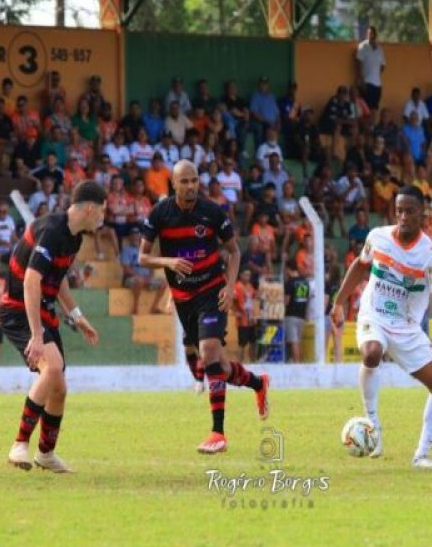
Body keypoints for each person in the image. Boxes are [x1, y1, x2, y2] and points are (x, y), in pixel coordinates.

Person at [139, 160, 269, 454]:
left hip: (212, 292)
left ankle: (218, 433)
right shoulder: (160, 214)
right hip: (184, 299)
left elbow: (234, 252)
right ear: (173, 184)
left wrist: (229, 285)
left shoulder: (211, 212)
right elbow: (142, 258)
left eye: (194, 180)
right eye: (184, 181)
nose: (191, 186)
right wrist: (169, 262)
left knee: (209, 353)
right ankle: (258, 383)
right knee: (218, 366)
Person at [329, 185, 432, 468]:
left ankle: (421, 454)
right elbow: (360, 267)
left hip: (407, 327)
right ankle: (373, 427)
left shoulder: (429, 254)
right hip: (375, 314)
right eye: (399, 211)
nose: (403, 216)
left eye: (409, 211)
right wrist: (338, 302)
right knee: (371, 352)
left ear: (422, 214)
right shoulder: (377, 237)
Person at [4, 181, 108, 473]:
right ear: (90, 208)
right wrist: (36, 335)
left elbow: (57, 277)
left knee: (59, 389)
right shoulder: (51, 231)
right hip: (18, 309)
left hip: (44, 308)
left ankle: (45, 455)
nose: (103, 217)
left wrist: (76, 315)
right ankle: (19, 445)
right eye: (102, 210)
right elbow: (30, 281)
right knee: (51, 368)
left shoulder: (74, 238)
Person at [120, 227, 168, 315]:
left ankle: (154, 308)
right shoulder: (126, 250)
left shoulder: (145, 251)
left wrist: (149, 277)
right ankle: (135, 308)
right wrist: (139, 277)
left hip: (145, 279)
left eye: (137, 235)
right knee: (139, 281)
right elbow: (126, 269)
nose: (135, 237)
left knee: (163, 283)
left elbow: (151, 267)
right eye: (133, 235)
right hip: (131, 279)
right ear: (129, 237)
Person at [356, 25, 386, 119]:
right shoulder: (363, 46)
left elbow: (383, 65)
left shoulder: (379, 49)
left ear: (375, 34)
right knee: (365, 108)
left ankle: (372, 127)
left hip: (377, 83)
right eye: (369, 33)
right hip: (366, 82)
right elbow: (359, 63)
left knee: (374, 108)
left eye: (372, 33)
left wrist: (376, 72)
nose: (370, 35)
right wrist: (361, 79)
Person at [283, 259, 310, 363]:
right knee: (298, 341)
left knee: (293, 341)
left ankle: (296, 363)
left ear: (288, 269)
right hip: (302, 316)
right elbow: (307, 299)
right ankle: (298, 362)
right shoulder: (305, 281)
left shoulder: (290, 282)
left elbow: (286, 301)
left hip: (291, 315)